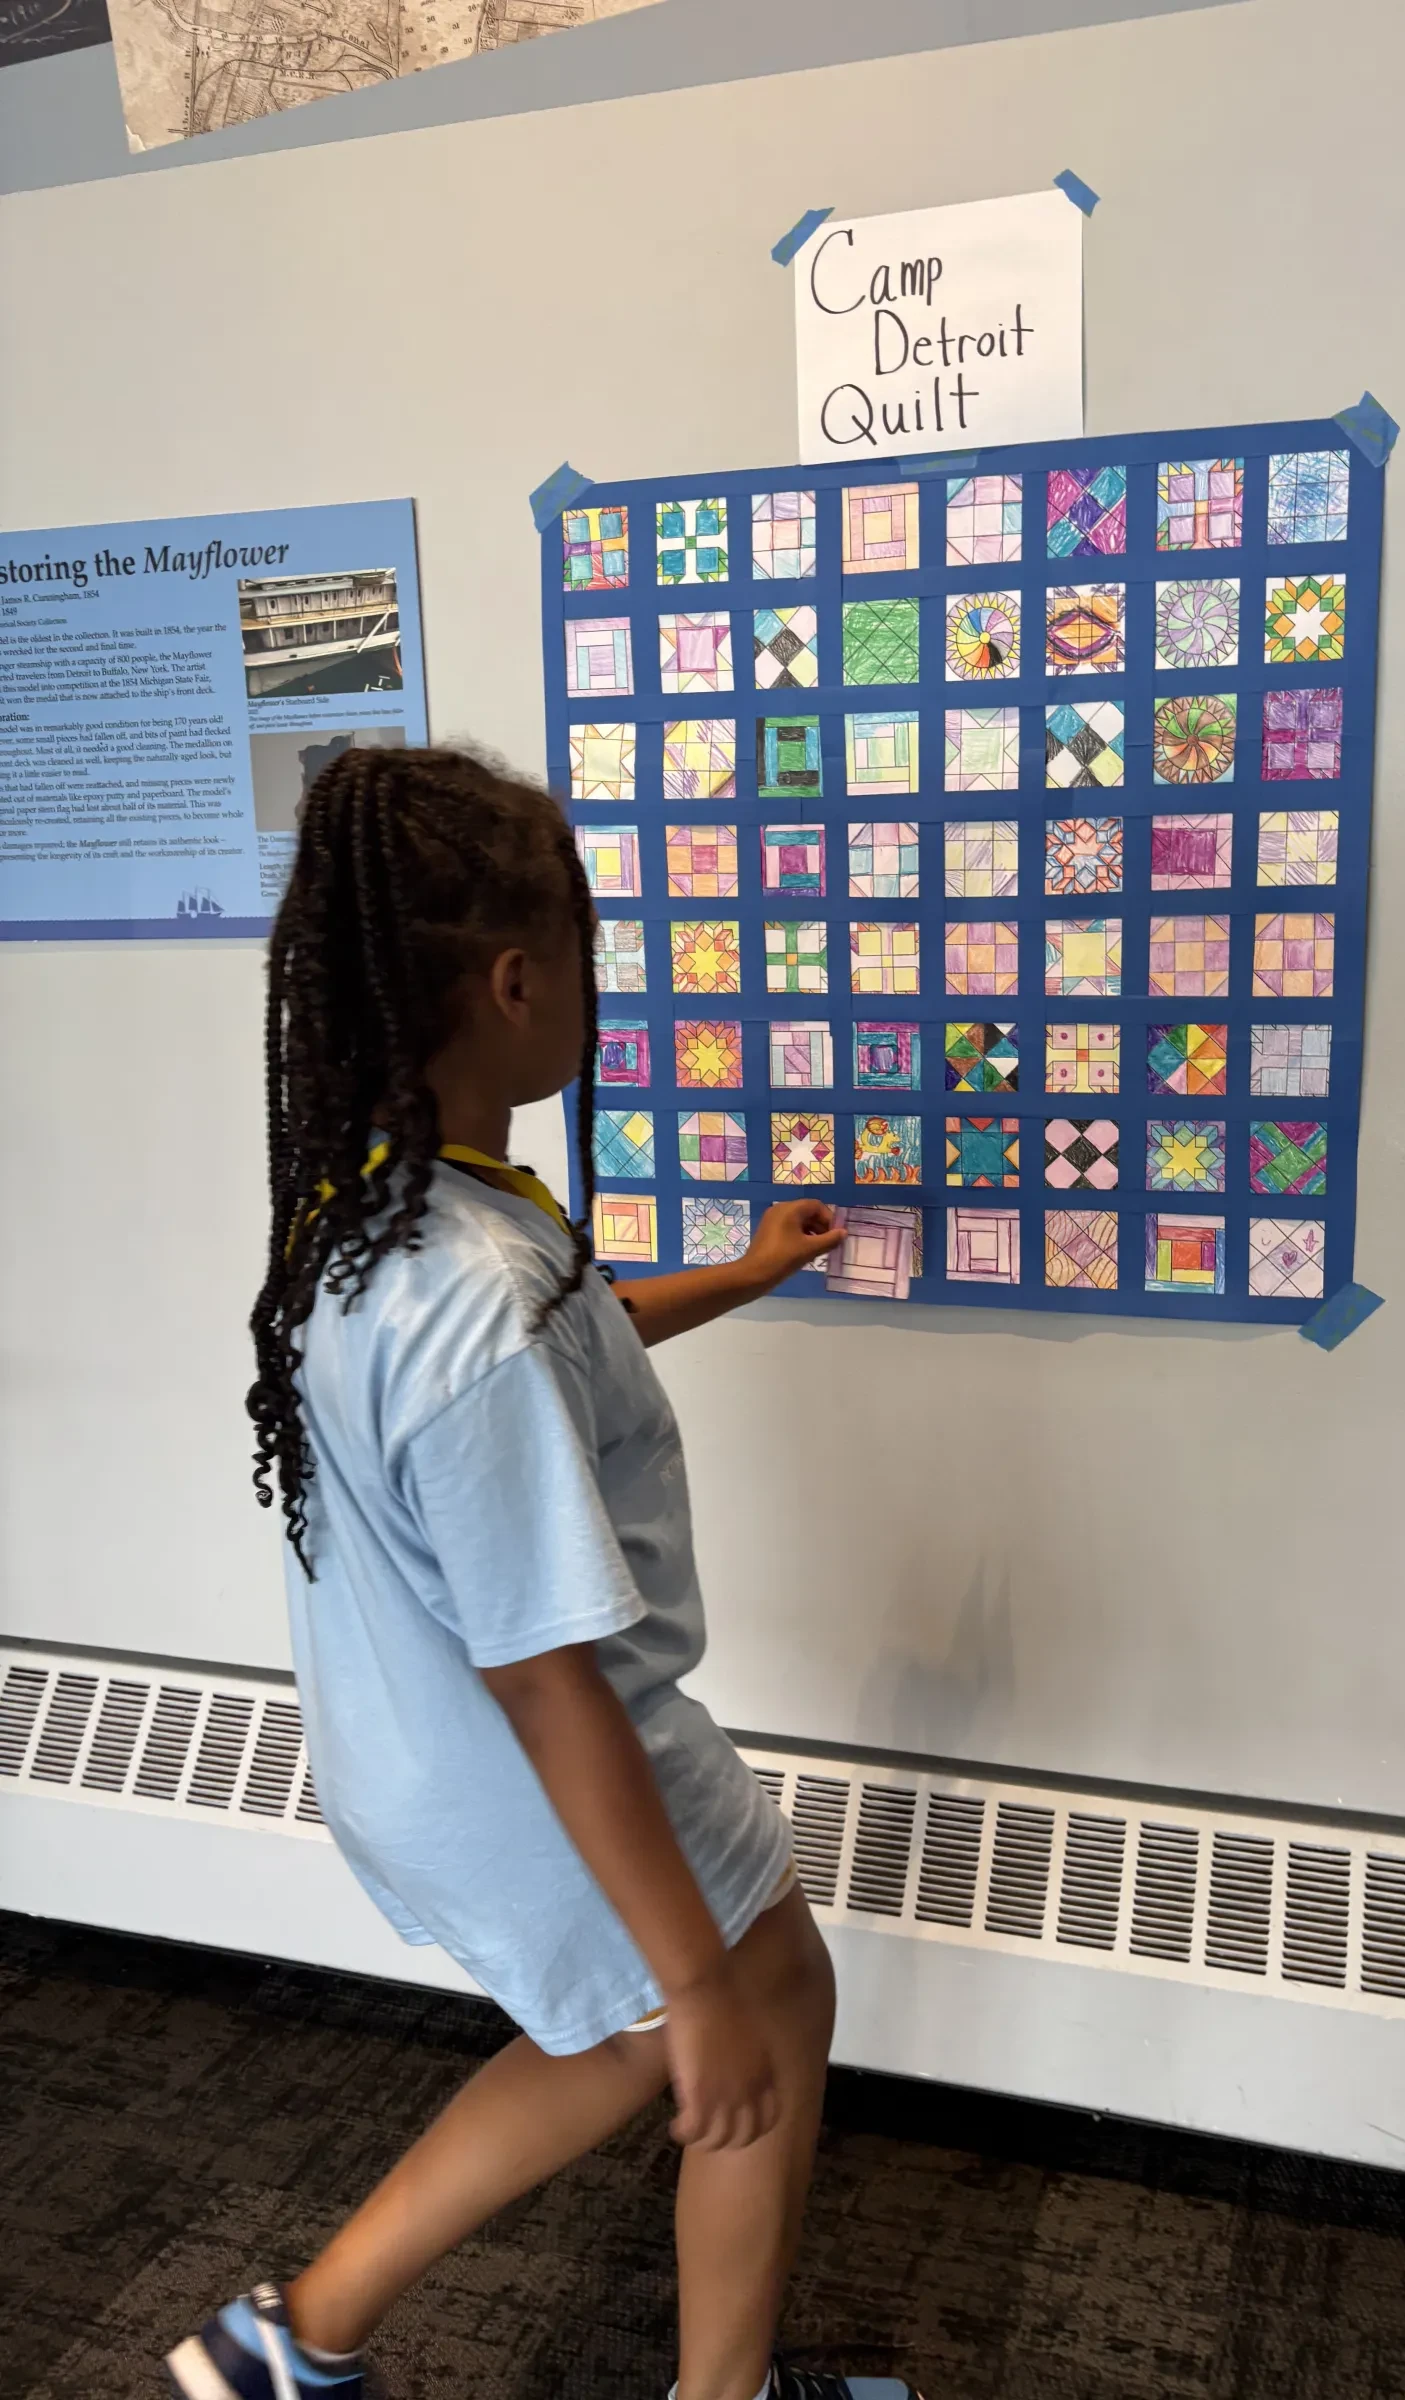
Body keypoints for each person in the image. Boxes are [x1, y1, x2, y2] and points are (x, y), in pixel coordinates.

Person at [166, 748, 916, 2400]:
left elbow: (572, 1334)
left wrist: (742, 1272)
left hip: (418, 1758)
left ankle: (293, 2339)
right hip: (538, 1754)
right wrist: (697, 1976)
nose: (597, 988)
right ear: (517, 982)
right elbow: (544, 1669)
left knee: (616, 2041)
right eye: (587, 957)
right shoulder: (472, 1303)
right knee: (753, 2004)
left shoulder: (383, 1214)